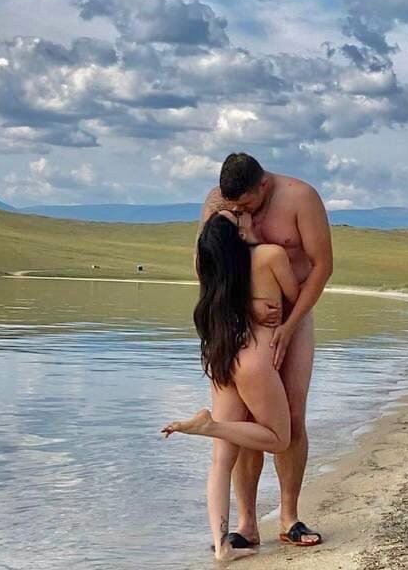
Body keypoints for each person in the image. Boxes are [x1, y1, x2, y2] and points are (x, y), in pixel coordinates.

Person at [196, 153, 332, 549]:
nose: (242, 213)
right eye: (233, 207)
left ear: (263, 185)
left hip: (294, 316)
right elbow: (207, 264)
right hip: (243, 323)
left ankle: (289, 517)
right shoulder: (219, 201)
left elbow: (322, 266)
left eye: (246, 205)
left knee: (292, 416)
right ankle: (246, 524)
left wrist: (290, 325)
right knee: (246, 419)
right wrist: (247, 306)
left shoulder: (301, 197)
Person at [161, 211, 299, 560]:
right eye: (238, 219)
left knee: (221, 461)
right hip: (254, 360)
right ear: (236, 238)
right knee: (279, 438)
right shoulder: (268, 256)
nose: (246, 217)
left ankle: (222, 547)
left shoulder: (217, 275)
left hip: (222, 354)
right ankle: (210, 426)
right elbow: (294, 297)